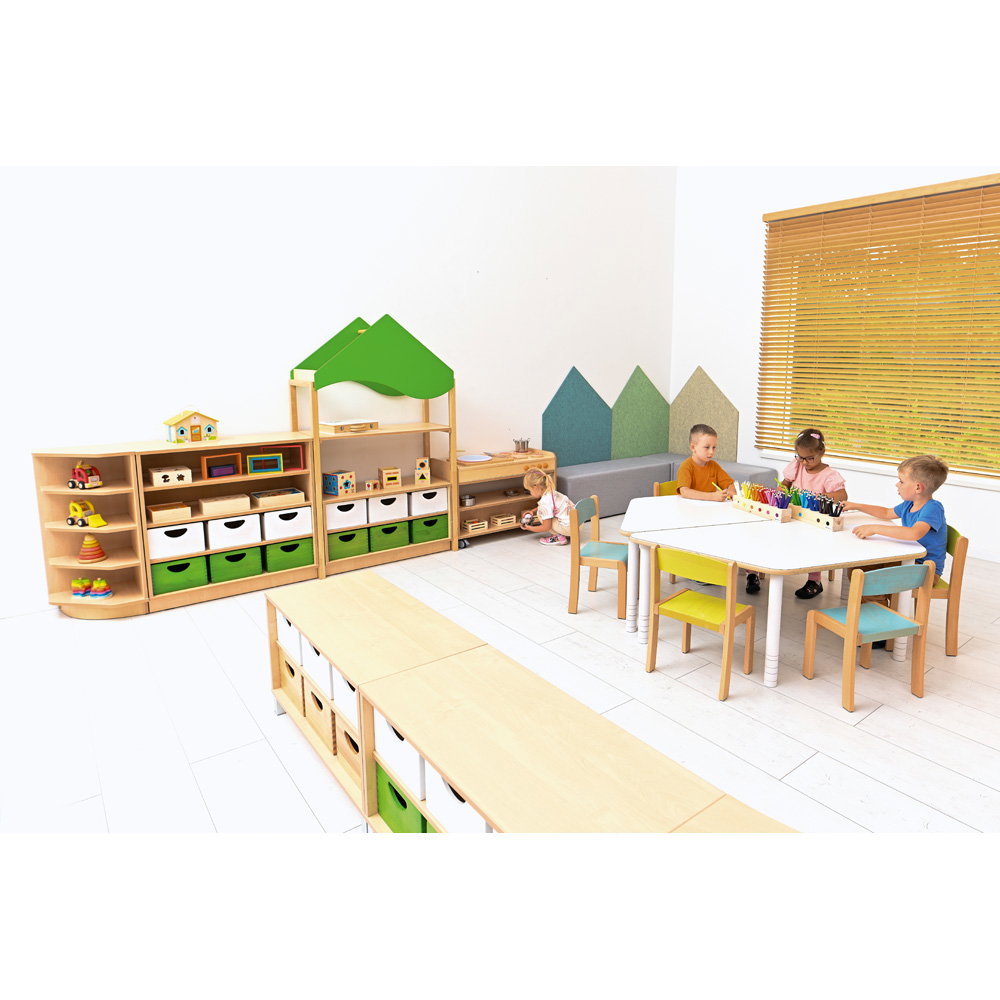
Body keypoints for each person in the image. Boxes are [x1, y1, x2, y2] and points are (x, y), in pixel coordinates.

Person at [843, 455, 948, 580]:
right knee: (858, 568)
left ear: (918, 487)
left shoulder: (933, 508)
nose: (897, 484)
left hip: (925, 570)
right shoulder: (909, 504)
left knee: (867, 574)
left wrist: (875, 528)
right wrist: (857, 506)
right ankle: (870, 592)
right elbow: (886, 513)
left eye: (901, 481)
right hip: (908, 559)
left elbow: (914, 533)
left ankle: (875, 594)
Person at [781, 427, 849, 600]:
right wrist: (781, 490)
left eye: (809, 458)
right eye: (800, 457)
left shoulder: (829, 475)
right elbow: (785, 483)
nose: (804, 462)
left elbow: (842, 495)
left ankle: (815, 581)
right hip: (794, 515)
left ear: (821, 452)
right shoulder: (797, 466)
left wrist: (821, 497)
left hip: (814, 520)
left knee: (814, 543)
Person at [676, 423, 736, 502]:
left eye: (714, 447)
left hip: (708, 507)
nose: (711, 452)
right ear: (693, 447)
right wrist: (712, 496)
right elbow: (684, 492)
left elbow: (729, 484)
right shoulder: (686, 466)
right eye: (707, 447)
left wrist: (732, 492)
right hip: (689, 507)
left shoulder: (714, 466)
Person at [520, 467, 575, 546]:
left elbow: (546, 527)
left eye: (530, 490)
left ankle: (558, 537)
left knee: (540, 513)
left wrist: (530, 528)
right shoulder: (552, 492)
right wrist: (532, 511)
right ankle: (564, 533)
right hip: (577, 524)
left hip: (569, 529)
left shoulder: (544, 503)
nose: (530, 493)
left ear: (535, 487)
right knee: (543, 511)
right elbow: (550, 506)